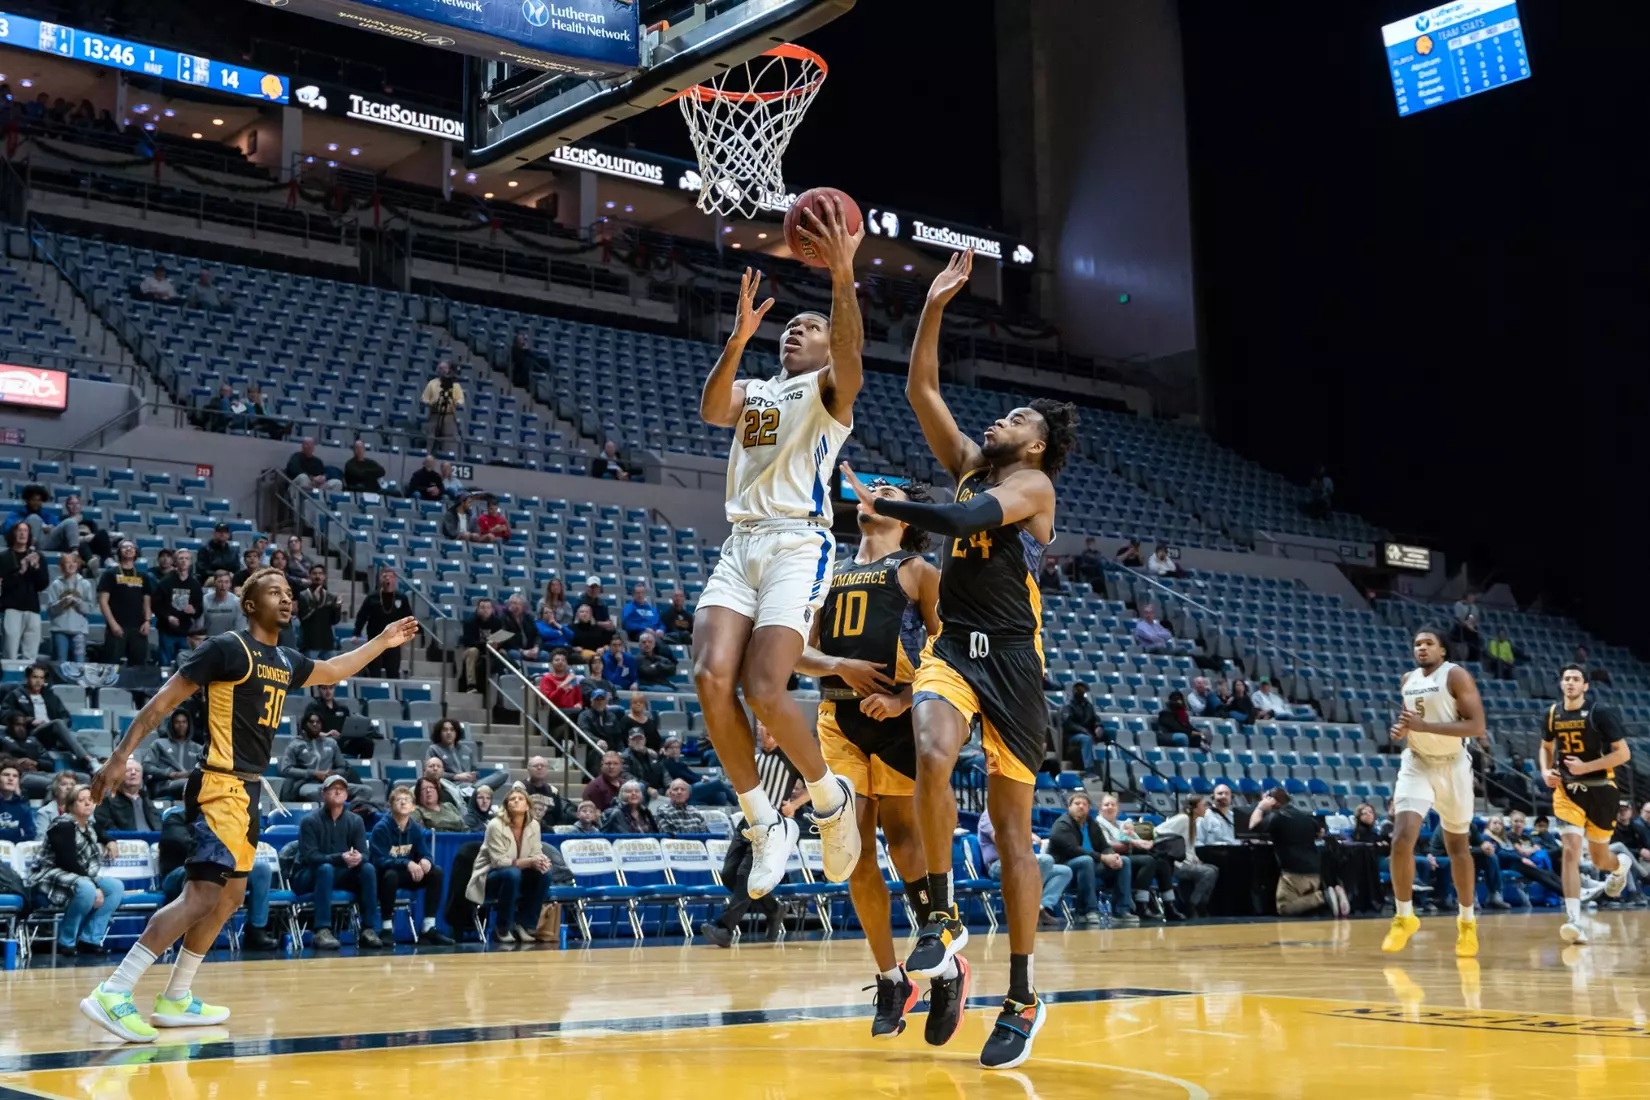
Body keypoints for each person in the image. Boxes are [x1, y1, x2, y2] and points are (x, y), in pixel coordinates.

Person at [841, 248, 1079, 1071]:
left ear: (1039, 449)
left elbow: (968, 512)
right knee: (934, 751)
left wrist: (892, 503)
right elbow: (921, 391)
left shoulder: (1033, 493)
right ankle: (940, 917)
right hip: (952, 654)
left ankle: (1022, 993)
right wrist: (934, 305)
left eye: (1017, 419)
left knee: (1015, 837)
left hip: (1014, 665)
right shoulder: (976, 466)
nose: (1000, 422)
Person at [78, 566, 418, 1041]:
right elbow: (162, 701)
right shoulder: (226, 649)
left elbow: (336, 668)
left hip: (250, 790)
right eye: (274, 591)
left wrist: (381, 640)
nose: (287, 598)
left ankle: (176, 997)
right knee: (200, 894)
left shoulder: (284, 659)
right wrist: (120, 757)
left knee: (232, 895)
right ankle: (114, 991)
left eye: (289, 592)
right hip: (218, 784)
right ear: (251, 604)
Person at [691, 206, 869, 910]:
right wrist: (737, 341)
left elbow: (851, 351)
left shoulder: (830, 393)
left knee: (766, 688)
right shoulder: (758, 390)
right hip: (742, 542)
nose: (796, 330)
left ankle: (828, 801)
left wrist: (843, 279)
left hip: (799, 540)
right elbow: (712, 410)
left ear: (829, 347)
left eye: (811, 326)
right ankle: (763, 821)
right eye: (790, 326)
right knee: (709, 676)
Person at [793, 474, 950, 1042]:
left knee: (905, 841)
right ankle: (890, 977)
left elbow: (945, 650)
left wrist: (906, 696)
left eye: (888, 487)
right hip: (838, 719)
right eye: (869, 483)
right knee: (853, 847)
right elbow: (797, 652)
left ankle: (943, 958)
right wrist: (840, 668)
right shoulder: (825, 567)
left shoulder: (918, 572)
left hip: (902, 721)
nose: (873, 490)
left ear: (907, 517)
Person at [1381, 625, 1488, 959]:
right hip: (1417, 763)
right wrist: (1401, 729)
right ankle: (1404, 916)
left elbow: (1476, 726)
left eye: (1428, 643)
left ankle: (1467, 923)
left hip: (1453, 765)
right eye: (1417, 644)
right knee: (1401, 839)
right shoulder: (1407, 680)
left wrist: (1424, 727)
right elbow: (1414, 721)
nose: (1421, 648)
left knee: (1458, 847)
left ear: (1443, 650)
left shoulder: (1456, 676)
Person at [1540, 664, 1632, 944]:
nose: (1570, 683)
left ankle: (1621, 865)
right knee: (1570, 851)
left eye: (1576, 679)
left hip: (1602, 791)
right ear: (1561, 684)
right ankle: (1574, 920)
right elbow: (1545, 747)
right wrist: (1545, 771)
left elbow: (1623, 754)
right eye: (1566, 678)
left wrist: (1586, 767)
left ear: (1585, 686)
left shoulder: (1599, 713)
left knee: (1599, 859)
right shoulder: (1552, 713)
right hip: (1568, 793)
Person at [699, 725, 807, 948]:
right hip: (747, 821)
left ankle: (725, 929)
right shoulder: (755, 758)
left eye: (769, 732)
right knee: (729, 874)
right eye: (761, 734)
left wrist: (795, 804)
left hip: (771, 825)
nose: (764, 736)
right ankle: (774, 908)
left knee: (746, 876)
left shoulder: (791, 757)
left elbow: (818, 784)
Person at [30, 784, 124, 954]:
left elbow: (101, 831)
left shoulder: (89, 825)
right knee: (87, 888)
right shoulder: (62, 825)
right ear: (71, 805)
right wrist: (95, 887)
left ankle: (90, 939)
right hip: (52, 874)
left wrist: (110, 840)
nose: (88, 804)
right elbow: (68, 861)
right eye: (82, 800)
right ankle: (66, 940)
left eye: (90, 800)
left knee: (115, 887)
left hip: (79, 874)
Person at [294, 775, 383, 950]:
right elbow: (311, 857)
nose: (337, 791)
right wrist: (339, 858)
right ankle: (322, 929)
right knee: (325, 868)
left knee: (368, 869)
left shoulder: (355, 821)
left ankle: (368, 929)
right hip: (308, 875)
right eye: (332, 788)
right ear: (323, 794)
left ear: (347, 795)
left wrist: (359, 858)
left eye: (341, 789)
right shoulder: (309, 821)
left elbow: (365, 853)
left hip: (340, 873)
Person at [367, 785, 455, 945]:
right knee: (391, 875)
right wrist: (407, 863)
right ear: (390, 805)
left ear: (413, 806)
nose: (402, 803)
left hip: (407, 874)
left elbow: (425, 852)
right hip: (383, 877)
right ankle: (386, 928)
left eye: (406, 800)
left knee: (436, 872)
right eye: (398, 800)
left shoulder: (414, 828)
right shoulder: (381, 828)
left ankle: (428, 928)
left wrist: (426, 860)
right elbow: (379, 860)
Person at [465, 784, 552, 944]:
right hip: (490, 876)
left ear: (527, 805)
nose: (516, 801)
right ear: (506, 805)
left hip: (518, 874)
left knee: (544, 874)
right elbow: (499, 861)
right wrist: (530, 861)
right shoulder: (495, 825)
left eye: (520, 799)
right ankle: (503, 927)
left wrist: (541, 861)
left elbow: (536, 851)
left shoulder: (534, 825)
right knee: (512, 873)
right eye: (512, 799)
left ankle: (524, 925)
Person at [1251, 787, 1347, 917]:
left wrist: (1260, 807)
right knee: (1302, 903)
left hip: (1294, 874)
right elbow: (1320, 832)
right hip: (1314, 872)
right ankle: (1333, 893)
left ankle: (1323, 896)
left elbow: (1253, 826)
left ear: (1272, 801)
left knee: (1284, 907)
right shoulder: (1304, 816)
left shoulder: (1277, 816)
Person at [1048, 791, 1136, 927]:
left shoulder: (1091, 823)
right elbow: (1074, 850)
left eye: (1085, 804)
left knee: (1124, 861)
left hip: (1091, 864)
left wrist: (1113, 856)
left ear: (1089, 808)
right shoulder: (1062, 825)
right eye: (1077, 804)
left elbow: (1104, 846)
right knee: (1085, 860)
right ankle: (1088, 910)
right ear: (1069, 807)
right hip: (1065, 866)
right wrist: (1103, 858)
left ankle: (1122, 910)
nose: (1081, 806)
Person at [1095, 793, 1184, 921]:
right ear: (1100, 808)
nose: (1109, 807)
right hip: (1112, 860)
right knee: (1148, 861)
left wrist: (1143, 842)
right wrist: (1133, 843)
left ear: (1118, 808)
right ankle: (1141, 905)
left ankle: (1169, 905)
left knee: (1162, 863)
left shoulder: (1122, 824)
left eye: (1113, 805)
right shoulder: (1097, 824)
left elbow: (1134, 840)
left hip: (1130, 857)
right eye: (1106, 805)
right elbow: (1106, 845)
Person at [979, 808, 1071, 929]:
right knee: (1045, 860)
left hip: (1020, 864)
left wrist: (1029, 836)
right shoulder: (991, 814)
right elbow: (1000, 840)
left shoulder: (1015, 815)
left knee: (1064, 871)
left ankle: (1040, 907)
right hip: (1000, 865)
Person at [2, 663, 96, 771]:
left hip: (54, 732)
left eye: (41, 678)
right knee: (57, 723)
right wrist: (29, 721)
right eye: (35, 677)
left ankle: (96, 765)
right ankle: (89, 760)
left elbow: (66, 716)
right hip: (34, 733)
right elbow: (5, 715)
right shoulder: (16, 695)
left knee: (83, 739)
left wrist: (62, 727)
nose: (38, 681)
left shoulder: (50, 695)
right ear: (27, 678)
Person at [1155, 795, 1219, 917]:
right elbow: (1157, 830)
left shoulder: (1193, 822)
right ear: (1195, 808)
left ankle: (1201, 903)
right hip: (1176, 864)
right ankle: (1192, 905)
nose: (1206, 808)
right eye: (1203, 805)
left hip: (1187, 862)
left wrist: (1196, 860)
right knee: (1208, 873)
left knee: (1214, 869)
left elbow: (1189, 847)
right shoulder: (1183, 819)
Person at [96, 540, 154, 668]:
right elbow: (103, 601)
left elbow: (147, 602)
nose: (128, 549)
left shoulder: (143, 576)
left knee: (138, 667)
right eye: (124, 547)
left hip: (138, 627)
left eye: (131, 547)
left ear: (136, 552)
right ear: (119, 552)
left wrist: (147, 621)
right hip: (117, 627)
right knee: (111, 666)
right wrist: (113, 624)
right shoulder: (110, 574)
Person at [0, 520, 48, 660]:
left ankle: (29, 680)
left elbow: (42, 585)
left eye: (25, 530)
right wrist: (21, 571)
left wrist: (37, 568)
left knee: (31, 653)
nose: (22, 533)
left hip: (32, 608)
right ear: (13, 534)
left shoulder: (38, 557)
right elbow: (3, 586)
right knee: (10, 651)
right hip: (11, 608)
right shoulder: (4, 557)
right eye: (19, 530)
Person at [353, 569, 414, 679]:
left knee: (393, 672)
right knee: (374, 672)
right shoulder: (372, 597)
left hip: (393, 641)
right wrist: (356, 633)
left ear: (394, 579)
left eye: (390, 577)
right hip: (375, 640)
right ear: (380, 579)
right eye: (384, 576)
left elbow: (408, 618)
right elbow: (362, 616)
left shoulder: (401, 597)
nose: (387, 579)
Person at [280, 712, 354, 801]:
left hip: (331, 781)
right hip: (306, 782)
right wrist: (314, 773)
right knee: (320, 793)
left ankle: (348, 811)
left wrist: (331, 773)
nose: (315, 724)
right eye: (311, 722)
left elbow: (342, 767)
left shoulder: (331, 743)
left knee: (365, 791)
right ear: (304, 724)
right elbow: (286, 769)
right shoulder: (295, 744)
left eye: (318, 722)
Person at [428, 718, 510, 792]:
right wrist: (456, 777)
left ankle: (472, 790)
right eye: (445, 730)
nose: (449, 732)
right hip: (451, 787)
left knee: (503, 774)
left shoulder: (466, 750)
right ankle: (474, 791)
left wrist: (473, 775)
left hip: (471, 784)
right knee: (481, 790)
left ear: (457, 733)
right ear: (440, 733)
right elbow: (432, 773)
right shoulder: (434, 749)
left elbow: (476, 770)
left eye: (452, 730)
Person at [153, 549, 202, 666]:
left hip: (186, 632)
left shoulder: (195, 584)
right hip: (167, 630)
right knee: (165, 664)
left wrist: (194, 611)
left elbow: (199, 609)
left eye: (187, 559)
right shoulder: (166, 581)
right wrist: (168, 617)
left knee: (185, 665)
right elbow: (155, 605)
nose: (184, 561)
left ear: (190, 562)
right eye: (181, 558)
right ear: (175, 561)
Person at [45, 551, 96, 663]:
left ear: (78, 564)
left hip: (79, 631)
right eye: (67, 563)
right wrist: (62, 603)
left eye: (73, 562)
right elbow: (50, 610)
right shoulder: (56, 584)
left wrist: (77, 602)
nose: (71, 565)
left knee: (79, 664)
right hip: (59, 630)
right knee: (60, 663)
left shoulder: (85, 584)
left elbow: (91, 608)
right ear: (62, 566)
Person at [141, 709, 201, 799]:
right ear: (171, 725)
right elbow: (146, 766)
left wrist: (190, 774)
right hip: (165, 786)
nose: (181, 725)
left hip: (191, 786)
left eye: (184, 722)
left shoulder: (198, 748)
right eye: (177, 722)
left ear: (189, 725)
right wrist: (169, 774)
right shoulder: (159, 744)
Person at [92, 758, 162, 834]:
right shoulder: (106, 799)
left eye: (137, 770)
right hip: (125, 842)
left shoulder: (146, 799)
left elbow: (159, 825)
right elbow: (104, 826)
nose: (133, 773)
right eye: (128, 770)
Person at [661, 737, 736, 806]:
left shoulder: (677, 762)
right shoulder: (667, 763)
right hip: (686, 789)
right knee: (717, 782)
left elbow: (690, 774)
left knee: (720, 796)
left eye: (677, 748)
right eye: (672, 748)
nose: (675, 750)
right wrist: (700, 779)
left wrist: (701, 777)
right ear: (666, 750)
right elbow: (686, 776)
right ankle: (737, 805)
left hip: (693, 786)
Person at [420, 360, 465, 450]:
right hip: (434, 414)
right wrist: (430, 403)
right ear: (437, 370)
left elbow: (460, 400)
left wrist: (457, 403)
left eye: (444, 368)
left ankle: (446, 456)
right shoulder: (432, 384)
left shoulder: (455, 385)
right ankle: (429, 456)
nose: (443, 370)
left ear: (448, 370)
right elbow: (424, 399)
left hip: (449, 415)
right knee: (431, 436)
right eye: (440, 368)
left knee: (448, 438)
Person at [1060, 682, 1102, 773]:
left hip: (1088, 731)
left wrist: (1098, 726)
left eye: (1083, 689)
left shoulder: (1088, 704)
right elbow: (1068, 724)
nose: (1082, 691)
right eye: (1079, 689)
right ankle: (1089, 769)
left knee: (1111, 732)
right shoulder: (1068, 705)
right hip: (1072, 736)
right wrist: (1084, 730)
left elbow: (1095, 717)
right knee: (1086, 739)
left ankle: (1108, 762)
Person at [577, 690, 625, 761]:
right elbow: (584, 732)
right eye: (596, 699)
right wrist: (597, 741)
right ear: (591, 701)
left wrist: (621, 751)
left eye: (602, 699)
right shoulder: (584, 715)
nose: (599, 702)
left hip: (612, 751)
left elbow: (618, 737)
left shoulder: (612, 716)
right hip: (593, 749)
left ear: (606, 701)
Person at [0, 760, 35, 843]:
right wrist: (17, 832)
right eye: (6, 775)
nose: (11, 778)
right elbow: (21, 833)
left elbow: (30, 836)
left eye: (15, 776)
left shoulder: (23, 808)